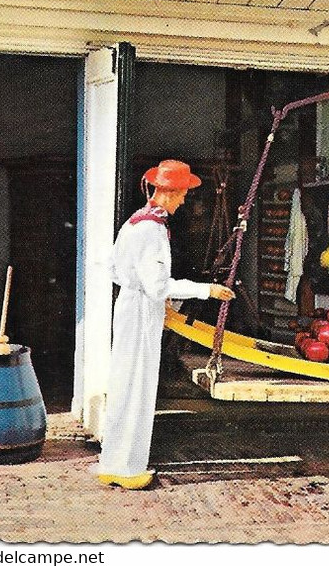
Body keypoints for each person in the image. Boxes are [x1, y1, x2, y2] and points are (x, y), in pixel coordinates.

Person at [96, 159, 235, 489]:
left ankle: (113, 462)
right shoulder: (153, 229)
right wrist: (207, 290)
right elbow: (158, 285)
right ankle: (129, 469)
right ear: (170, 193)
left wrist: (151, 294)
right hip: (141, 310)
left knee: (123, 384)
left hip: (130, 304)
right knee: (139, 388)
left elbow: (115, 269)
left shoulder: (134, 221)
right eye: (184, 193)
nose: (186, 200)